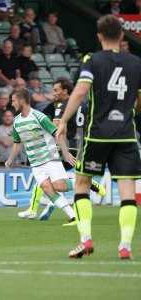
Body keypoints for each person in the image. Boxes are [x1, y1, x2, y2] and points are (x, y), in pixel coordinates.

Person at [56, 15, 141, 259]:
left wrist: (63, 120)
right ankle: (125, 245)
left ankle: (85, 239)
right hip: (126, 135)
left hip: (98, 135)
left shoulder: (92, 60)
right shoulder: (136, 63)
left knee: (82, 185)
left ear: (99, 36)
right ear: (122, 35)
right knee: (127, 191)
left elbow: (81, 90)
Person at [5, 88, 77, 226]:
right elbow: (17, 143)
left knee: (59, 186)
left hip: (50, 158)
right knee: (47, 188)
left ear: (22, 100)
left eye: (14, 101)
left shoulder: (39, 117)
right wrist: (10, 159)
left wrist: (66, 153)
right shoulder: (16, 122)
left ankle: (84, 182)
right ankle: (73, 216)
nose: (12, 104)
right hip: (35, 163)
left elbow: (58, 134)